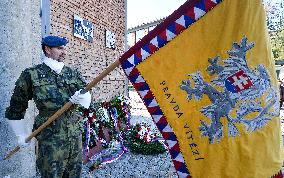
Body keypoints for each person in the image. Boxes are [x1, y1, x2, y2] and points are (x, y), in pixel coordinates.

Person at [5, 35, 91, 178]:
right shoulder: (32, 75)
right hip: (51, 142)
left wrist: (83, 97)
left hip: (74, 139)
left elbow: (88, 99)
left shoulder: (72, 73)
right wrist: (21, 134)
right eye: (59, 48)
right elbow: (15, 107)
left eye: (65, 48)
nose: (64, 52)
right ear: (47, 49)